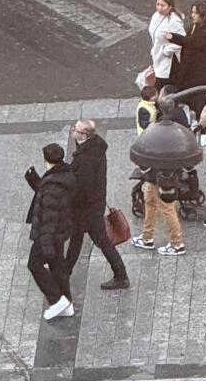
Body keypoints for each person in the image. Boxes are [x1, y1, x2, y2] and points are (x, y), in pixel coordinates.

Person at [64, 119, 128, 290]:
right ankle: (65, 271)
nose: (72, 131)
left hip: (88, 208)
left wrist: (68, 198)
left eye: (75, 129)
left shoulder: (86, 158)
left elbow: (83, 187)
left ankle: (121, 276)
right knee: (76, 238)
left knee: (101, 241)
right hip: (92, 205)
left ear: (83, 135)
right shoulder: (93, 149)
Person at [25, 142, 77, 320]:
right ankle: (67, 303)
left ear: (46, 159)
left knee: (34, 264)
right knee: (57, 267)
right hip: (61, 232)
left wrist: (45, 246)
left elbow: (48, 217)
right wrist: (34, 179)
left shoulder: (51, 188)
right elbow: (49, 190)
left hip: (49, 236)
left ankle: (57, 300)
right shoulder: (64, 175)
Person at [168, 0, 206, 116]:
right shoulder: (194, 26)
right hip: (190, 72)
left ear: (203, 15)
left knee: (198, 103)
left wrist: (173, 37)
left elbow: (192, 42)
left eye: (195, 13)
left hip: (200, 75)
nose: (192, 15)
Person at [142, 0, 185, 93]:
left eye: (163, 5)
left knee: (164, 86)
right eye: (158, 4)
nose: (159, 8)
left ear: (170, 7)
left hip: (169, 61)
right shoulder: (156, 16)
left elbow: (182, 40)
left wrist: (166, 50)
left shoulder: (174, 21)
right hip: (158, 56)